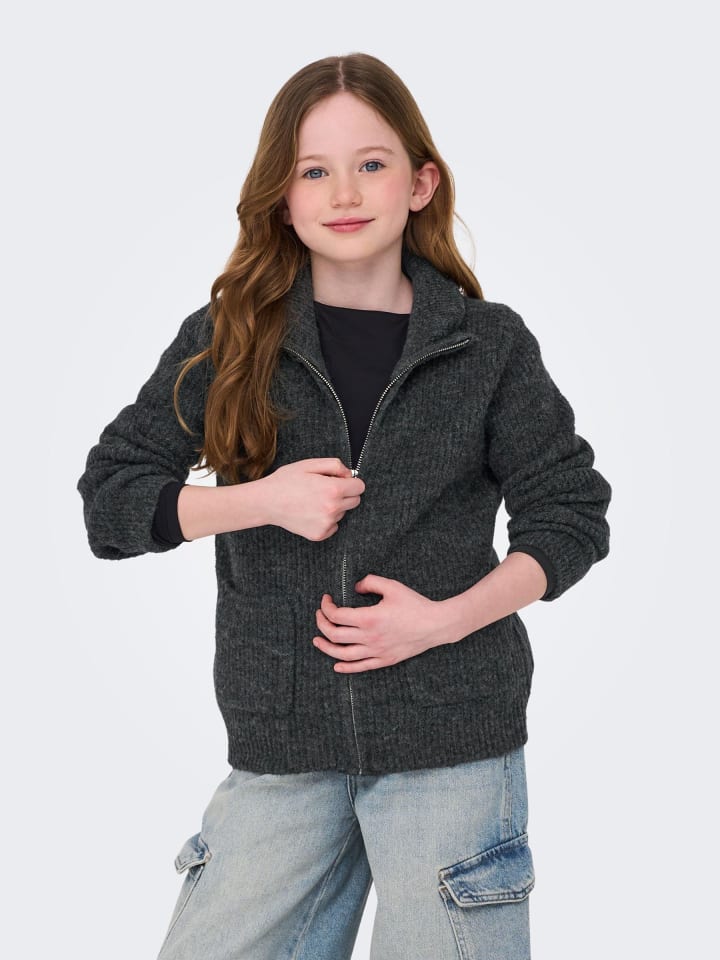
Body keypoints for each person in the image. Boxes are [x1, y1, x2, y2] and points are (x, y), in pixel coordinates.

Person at [77, 52, 612, 960]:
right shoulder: (227, 339)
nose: (346, 193)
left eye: (371, 163)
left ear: (420, 183)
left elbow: (570, 515)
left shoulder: (489, 346)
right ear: (281, 199)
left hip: (452, 740)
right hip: (283, 744)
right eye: (313, 171)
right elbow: (112, 500)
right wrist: (260, 501)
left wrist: (441, 621)